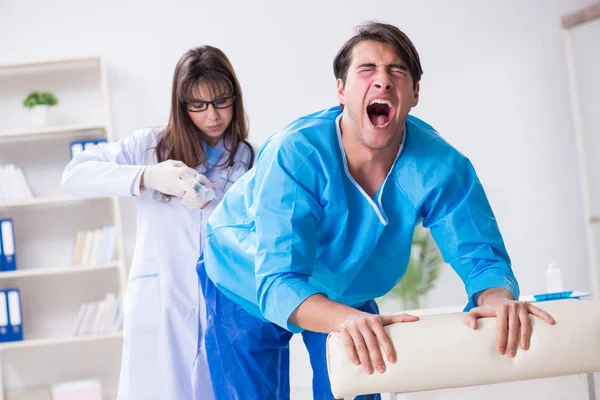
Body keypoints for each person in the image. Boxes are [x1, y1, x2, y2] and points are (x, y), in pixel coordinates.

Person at [198, 22, 555, 400]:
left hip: (344, 285)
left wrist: (496, 299)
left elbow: (481, 255)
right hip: (245, 275)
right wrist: (344, 318)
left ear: (415, 93)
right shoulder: (296, 153)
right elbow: (278, 279)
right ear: (340, 89)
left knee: (360, 382)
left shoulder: (440, 165)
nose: (383, 81)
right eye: (367, 69)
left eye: (397, 71)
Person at [62, 45, 254, 400]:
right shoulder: (149, 147)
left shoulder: (249, 160)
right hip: (161, 302)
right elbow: (74, 174)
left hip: (224, 309)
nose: (211, 115)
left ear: (235, 98)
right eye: (197, 105)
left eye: (220, 101)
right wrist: (148, 176)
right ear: (181, 106)